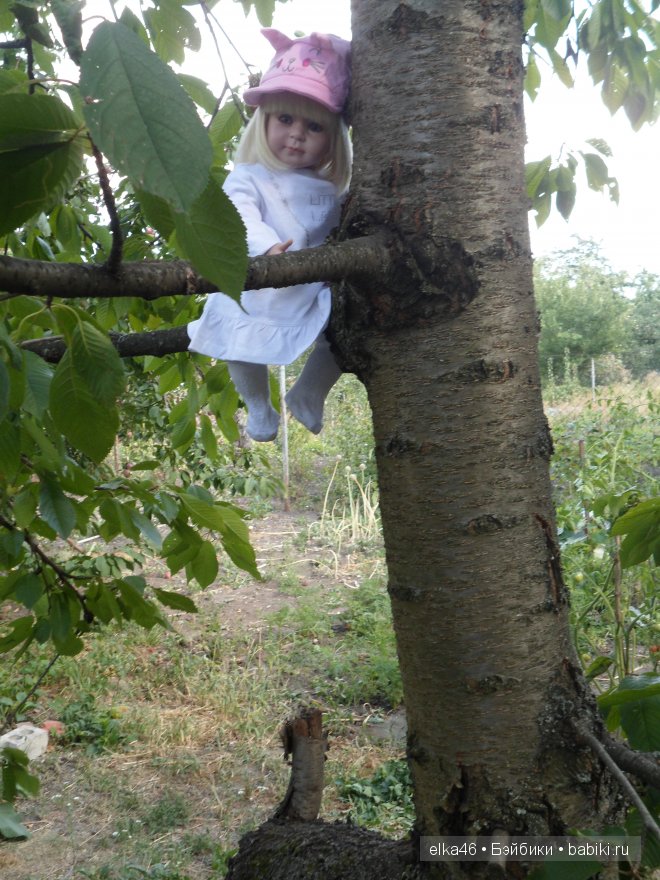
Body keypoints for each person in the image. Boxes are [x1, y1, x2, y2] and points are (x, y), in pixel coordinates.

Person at [187, 28, 352, 442]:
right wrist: (265, 248)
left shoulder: (333, 190)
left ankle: (309, 393)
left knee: (345, 334)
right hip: (259, 283)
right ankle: (258, 405)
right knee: (237, 341)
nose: (297, 133)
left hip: (314, 287)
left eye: (314, 126)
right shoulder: (249, 177)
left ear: (333, 140)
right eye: (284, 119)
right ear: (263, 122)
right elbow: (239, 216)